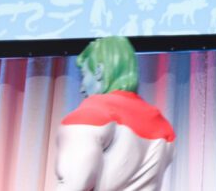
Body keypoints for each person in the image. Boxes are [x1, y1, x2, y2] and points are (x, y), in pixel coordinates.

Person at [55, 36, 175, 190]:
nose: (82, 88)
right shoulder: (163, 126)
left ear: (99, 71)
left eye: (84, 75)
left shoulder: (92, 114)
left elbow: (73, 184)